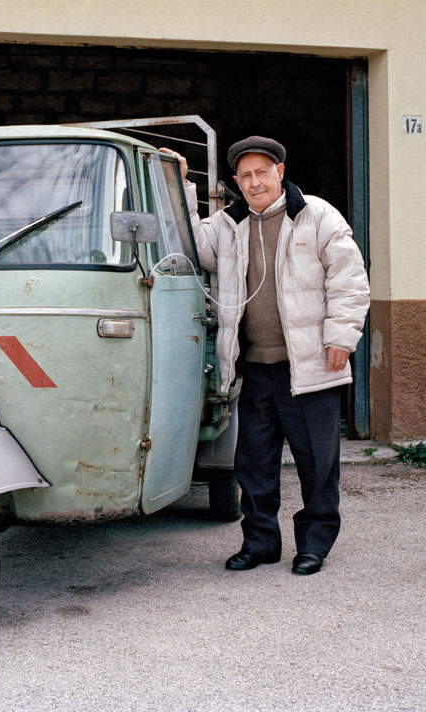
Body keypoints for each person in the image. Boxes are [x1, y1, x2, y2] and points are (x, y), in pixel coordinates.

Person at [162, 136, 369, 575]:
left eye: (262, 172)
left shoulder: (315, 215)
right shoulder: (228, 223)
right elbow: (192, 246)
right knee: (252, 465)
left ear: (280, 171)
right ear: (236, 181)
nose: (255, 182)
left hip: (310, 367)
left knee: (318, 463)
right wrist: (181, 186)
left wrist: (341, 338)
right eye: (246, 175)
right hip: (255, 369)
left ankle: (313, 545)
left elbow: (349, 279)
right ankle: (260, 544)